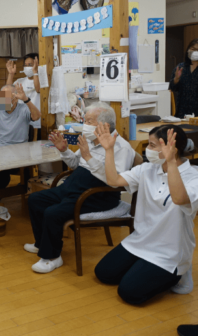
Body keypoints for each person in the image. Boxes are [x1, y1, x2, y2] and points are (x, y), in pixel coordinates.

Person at [94, 124, 198, 305]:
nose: (147, 150)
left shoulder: (194, 177)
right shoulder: (147, 169)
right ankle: (144, 268)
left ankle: (180, 274)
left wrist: (171, 162)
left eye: (151, 145)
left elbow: (179, 198)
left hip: (170, 252)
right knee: (104, 273)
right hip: (141, 241)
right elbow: (113, 180)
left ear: (171, 148)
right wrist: (109, 150)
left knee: (129, 293)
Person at [25, 102, 136, 274]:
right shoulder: (91, 140)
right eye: (85, 120)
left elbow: (115, 181)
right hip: (73, 189)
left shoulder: (122, 147)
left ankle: (53, 257)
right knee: (35, 199)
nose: (85, 124)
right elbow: (75, 164)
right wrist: (64, 150)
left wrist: (89, 158)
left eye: (89, 121)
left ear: (104, 125)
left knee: (52, 213)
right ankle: (42, 243)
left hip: (97, 195)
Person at [0, 82, 41, 190]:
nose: (3, 101)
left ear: (15, 98)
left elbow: (37, 116)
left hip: (18, 150)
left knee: (5, 167)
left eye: (7, 97)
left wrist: (26, 99)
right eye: (2, 97)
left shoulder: (23, 109)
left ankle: (1, 188)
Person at [6, 54, 41, 138]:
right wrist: (11, 74)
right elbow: (6, 95)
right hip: (21, 124)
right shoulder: (20, 81)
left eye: (30, 65)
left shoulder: (41, 81)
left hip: (36, 123)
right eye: (25, 65)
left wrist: (35, 72)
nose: (27, 67)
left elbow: (38, 89)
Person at [169, 38, 198, 119]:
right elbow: (172, 88)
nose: (195, 52)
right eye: (193, 49)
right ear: (188, 50)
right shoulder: (181, 67)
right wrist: (176, 79)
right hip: (182, 112)